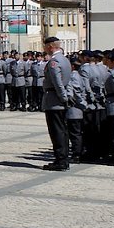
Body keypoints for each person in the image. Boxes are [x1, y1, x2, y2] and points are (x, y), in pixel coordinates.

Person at [42, 37, 71, 171]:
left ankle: (60, 160)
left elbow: (57, 82)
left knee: (57, 131)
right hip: (59, 99)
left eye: (45, 46)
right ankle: (63, 159)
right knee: (63, 131)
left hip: (55, 100)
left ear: (50, 46)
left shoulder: (54, 62)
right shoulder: (65, 60)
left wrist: (63, 97)